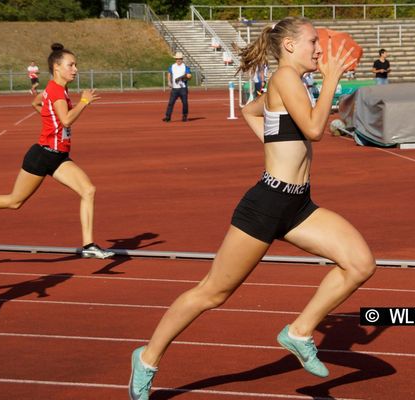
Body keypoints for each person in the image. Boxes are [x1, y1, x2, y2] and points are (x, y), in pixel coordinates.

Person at [129, 16, 376, 399]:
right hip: (266, 205)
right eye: (313, 41)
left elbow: (250, 111)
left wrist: (273, 146)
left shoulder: (292, 83)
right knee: (212, 293)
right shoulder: (284, 79)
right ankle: (147, 358)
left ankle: (298, 332)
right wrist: (330, 78)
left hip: (297, 205)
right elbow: (314, 131)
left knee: (360, 263)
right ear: (290, 46)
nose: (319, 48)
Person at [0, 43, 115, 260]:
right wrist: (84, 102)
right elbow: (66, 119)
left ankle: (88, 245)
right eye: (71, 65)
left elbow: (36, 103)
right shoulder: (56, 91)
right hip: (42, 155)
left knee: (88, 190)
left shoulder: (55, 89)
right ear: (57, 67)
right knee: (14, 201)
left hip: (58, 157)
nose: (75, 69)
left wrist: (49, 120)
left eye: (76, 65)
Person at [162, 52, 192, 123]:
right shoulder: (172, 66)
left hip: (183, 88)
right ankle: (168, 117)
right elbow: (169, 73)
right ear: (175, 59)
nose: (178, 60)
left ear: (182, 59)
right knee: (171, 103)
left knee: (185, 103)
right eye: (177, 59)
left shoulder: (185, 67)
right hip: (175, 89)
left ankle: (185, 115)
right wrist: (169, 82)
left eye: (180, 59)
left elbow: (189, 76)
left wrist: (185, 76)